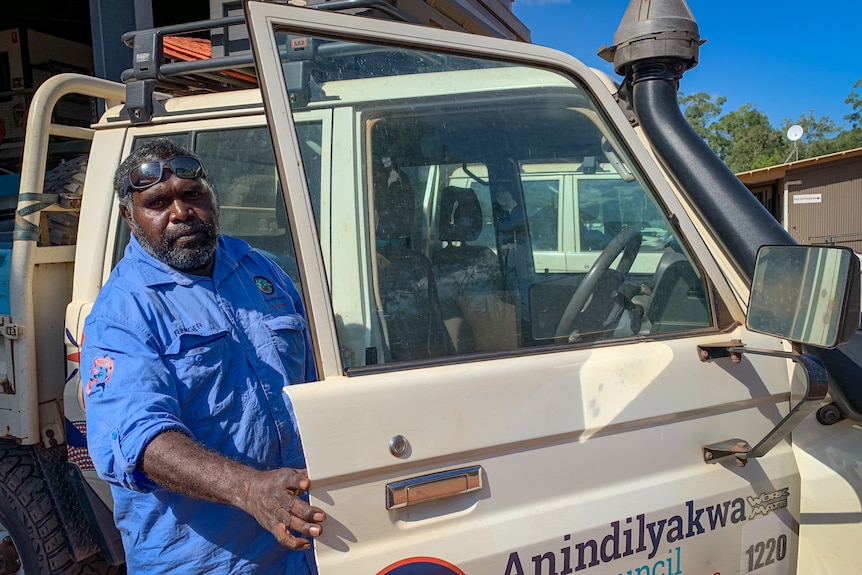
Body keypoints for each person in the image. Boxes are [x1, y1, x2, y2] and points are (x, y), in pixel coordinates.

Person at [81, 138, 325, 574]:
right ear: (129, 217)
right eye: (157, 202)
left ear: (211, 197)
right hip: (206, 559)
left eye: (192, 195)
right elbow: (141, 443)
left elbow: (316, 378)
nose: (180, 212)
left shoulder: (258, 268)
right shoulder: (123, 311)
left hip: (301, 540)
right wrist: (250, 490)